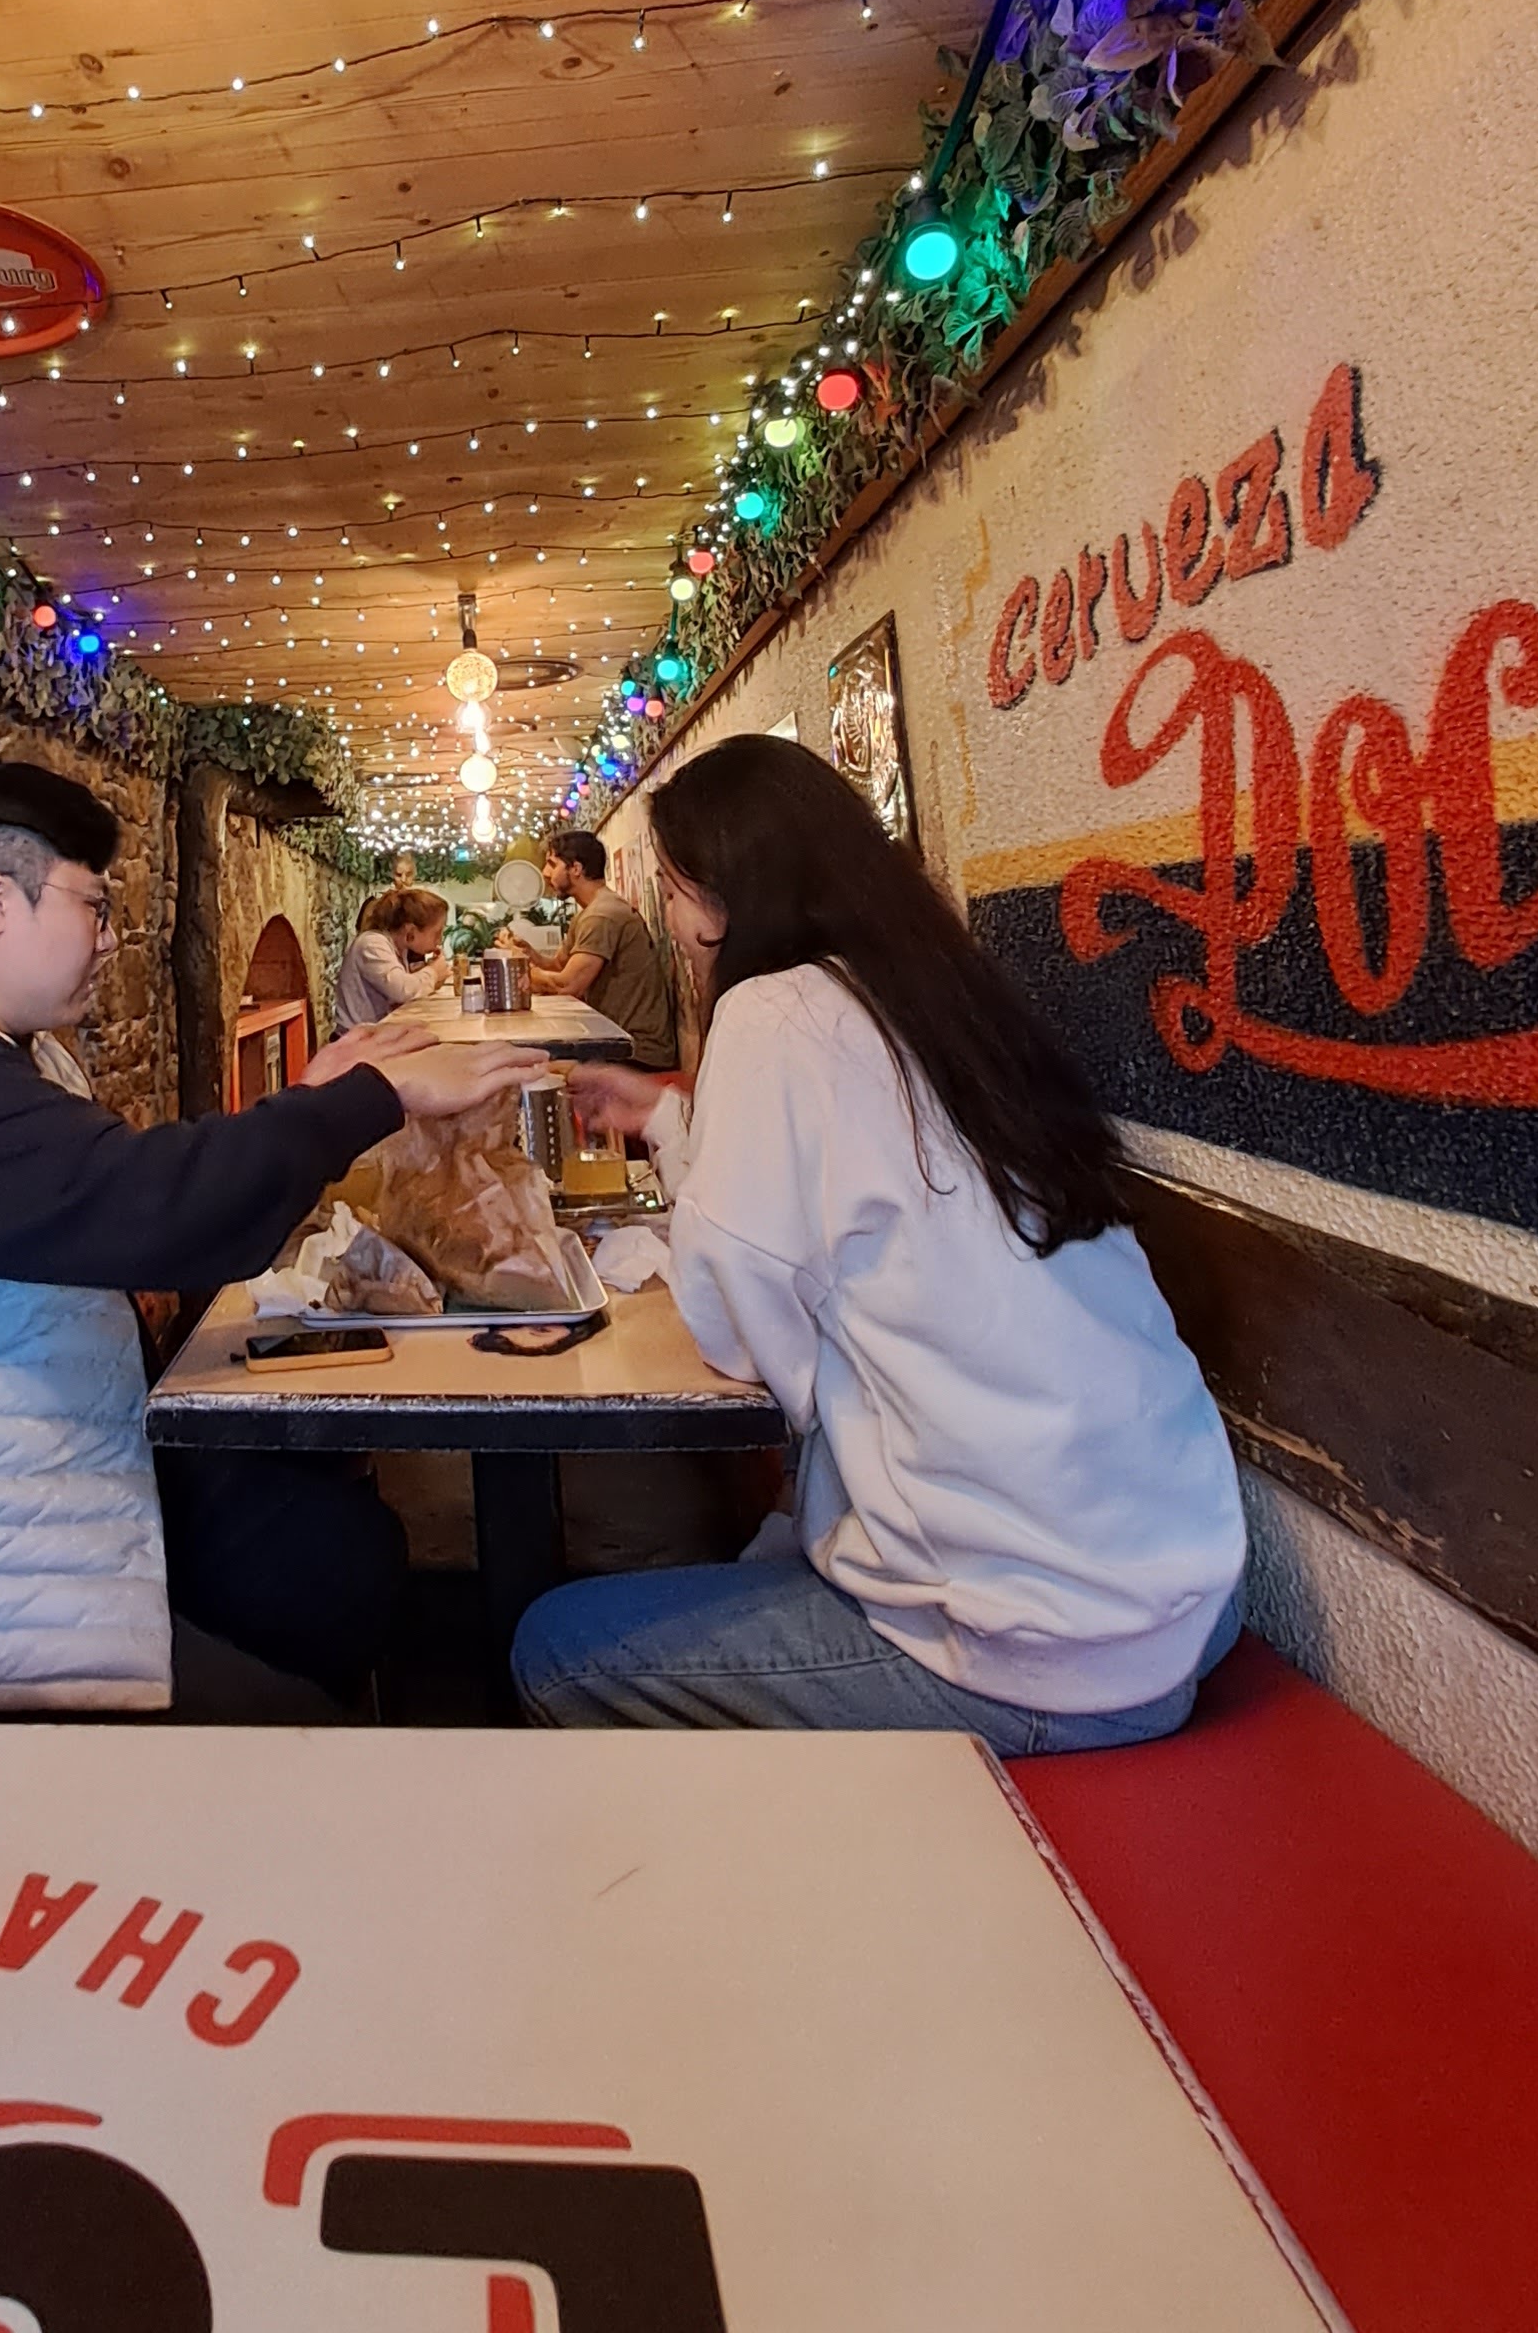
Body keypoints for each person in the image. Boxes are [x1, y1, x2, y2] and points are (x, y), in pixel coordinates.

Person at [0, 761, 538, 1720]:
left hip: (15, 1495)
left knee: (334, 1555)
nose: (111, 937)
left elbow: (129, 1187)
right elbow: (156, 1205)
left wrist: (317, 1101)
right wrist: (362, 1101)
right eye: (94, 906)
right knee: (297, 1713)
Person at [513, 735, 1246, 1753]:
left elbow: (741, 1334)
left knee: (555, 1648)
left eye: (675, 891)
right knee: (754, 1549)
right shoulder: (939, 994)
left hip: (1040, 1643)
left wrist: (688, 1163)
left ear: (724, 898)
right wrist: (674, 1119)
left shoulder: (771, 1012)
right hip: (1182, 1592)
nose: (673, 922)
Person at [502, 828, 677, 1067]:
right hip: (613, 1042)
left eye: (552, 864)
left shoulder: (601, 916)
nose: (544, 873)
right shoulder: (589, 913)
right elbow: (559, 967)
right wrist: (528, 954)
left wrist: (522, 972)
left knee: (530, 1070)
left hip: (637, 1052)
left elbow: (567, 985)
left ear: (576, 868)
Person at [334, 886, 452, 1032]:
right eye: (437, 933)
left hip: (375, 1035)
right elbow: (403, 991)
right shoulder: (371, 944)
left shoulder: (398, 948)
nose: (439, 940)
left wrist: (425, 973)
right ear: (411, 932)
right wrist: (433, 972)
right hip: (355, 1040)